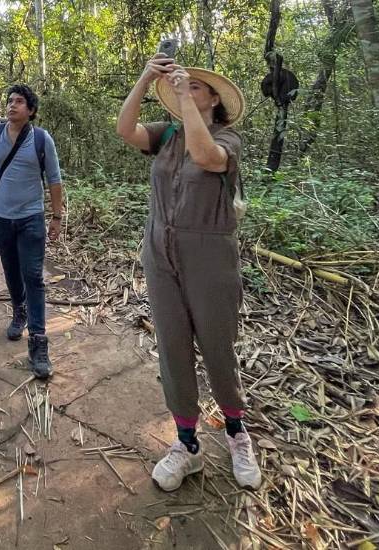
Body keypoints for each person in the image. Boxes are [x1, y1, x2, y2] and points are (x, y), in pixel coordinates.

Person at [116, 54, 261, 492]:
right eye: (186, 85)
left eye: (197, 87)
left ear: (215, 100)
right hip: (160, 253)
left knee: (217, 345)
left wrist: (184, 99)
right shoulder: (167, 135)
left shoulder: (227, 138)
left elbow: (207, 156)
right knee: (172, 347)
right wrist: (145, 77)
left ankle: (237, 433)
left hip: (211, 256)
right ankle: (186, 444)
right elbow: (126, 130)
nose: (188, 89)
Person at [0, 84, 64, 379]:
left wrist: (56, 217)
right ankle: (19, 311)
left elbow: (54, 179)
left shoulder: (41, 139)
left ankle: (38, 342)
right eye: (10, 100)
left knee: (34, 276)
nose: (12, 105)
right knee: (12, 272)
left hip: (31, 218)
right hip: (0, 219)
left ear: (31, 110)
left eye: (19, 101)